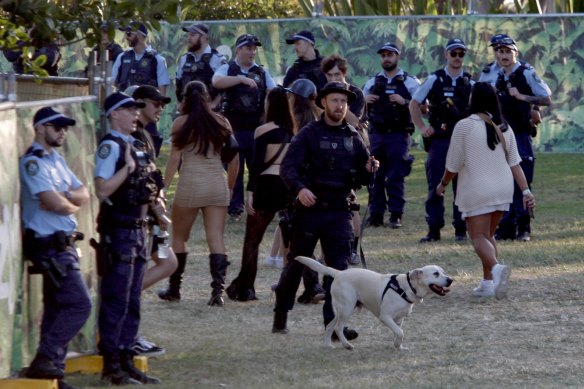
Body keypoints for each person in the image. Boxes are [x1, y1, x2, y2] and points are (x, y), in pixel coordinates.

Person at [272, 81, 379, 338]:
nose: (340, 106)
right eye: (334, 100)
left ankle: (334, 327)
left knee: (338, 272)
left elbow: (364, 179)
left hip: (339, 212)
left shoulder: (353, 137)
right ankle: (280, 314)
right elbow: (287, 168)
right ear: (323, 103)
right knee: (296, 265)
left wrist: (371, 169)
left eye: (343, 102)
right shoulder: (308, 134)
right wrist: (300, 189)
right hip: (309, 212)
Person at [436, 82, 536, 298]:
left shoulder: (464, 125)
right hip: (502, 188)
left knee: (479, 236)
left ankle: (496, 269)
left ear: (473, 99)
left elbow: (452, 164)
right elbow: (515, 163)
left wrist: (442, 184)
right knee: (489, 236)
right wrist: (526, 191)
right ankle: (487, 284)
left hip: (477, 188)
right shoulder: (504, 126)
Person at [20, 107, 92, 389]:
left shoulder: (57, 160)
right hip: (47, 244)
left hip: (64, 242)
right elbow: (56, 204)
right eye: (56, 126)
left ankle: (53, 374)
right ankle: (45, 358)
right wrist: (67, 200)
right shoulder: (33, 163)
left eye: (65, 127)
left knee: (57, 307)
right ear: (39, 128)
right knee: (79, 304)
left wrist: (65, 198)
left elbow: (83, 193)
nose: (63, 131)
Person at [94, 92, 162, 385]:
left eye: (136, 110)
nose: (135, 114)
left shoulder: (133, 144)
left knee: (132, 298)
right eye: (128, 110)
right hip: (118, 230)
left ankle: (126, 357)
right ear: (113, 115)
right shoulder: (111, 147)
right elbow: (101, 189)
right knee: (117, 299)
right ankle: (112, 364)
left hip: (137, 228)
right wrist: (126, 170)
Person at [162, 81, 239, 306]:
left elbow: (174, 159)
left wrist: (163, 188)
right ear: (207, 98)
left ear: (184, 99)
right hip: (216, 184)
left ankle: (174, 289)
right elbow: (235, 158)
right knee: (216, 239)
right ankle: (217, 293)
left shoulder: (180, 123)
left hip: (190, 185)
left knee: (179, 237)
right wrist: (231, 187)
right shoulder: (221, 121)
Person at [225, 87, 295, 302]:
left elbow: (256, 166)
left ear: (270, 104)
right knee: (292, 242)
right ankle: (299, 286)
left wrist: (249, 192)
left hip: (266, 185)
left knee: (252, 241)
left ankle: (246, 288)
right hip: (288, 187)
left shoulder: (262, 130)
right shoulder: (294, 132)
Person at [126, 85, 175, 357]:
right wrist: (158, 212)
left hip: (157, 219)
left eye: (162, 104)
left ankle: (128, 296)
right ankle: (127, 308)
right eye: (155, 103)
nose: (160, 108)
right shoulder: (133, 136)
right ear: (139, 104)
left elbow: (154, 177)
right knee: (164, 262)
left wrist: (162, 201)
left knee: (168, 261)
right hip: (148, 219)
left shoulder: (146, 134)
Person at [410, 38, 474, 242]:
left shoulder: (469, 82)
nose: (457, 58)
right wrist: (422, 127)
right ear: (446, 55)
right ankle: (434, 230)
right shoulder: (434, 79)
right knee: (436, 185)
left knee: (463, 187)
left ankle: (461, 231)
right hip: (440, 141)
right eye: (453, 53)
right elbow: (414, 104)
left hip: (464, 141)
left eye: (461, 54)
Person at [491, 36, 551, 242]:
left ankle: (524, 227)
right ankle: (505, 226)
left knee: (523, 180)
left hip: (521, 135)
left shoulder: (526, 73)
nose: (503, 55)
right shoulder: (497, 75)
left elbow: (546, 98)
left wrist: (523, 98)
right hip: (502, 134)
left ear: (515, 52)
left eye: (507, 51)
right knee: (503, 182)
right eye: (499, 51)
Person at [212, 33, 276, 221]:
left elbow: (272, 92)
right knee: (235, 170)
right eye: (248, 48)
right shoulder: (227, 69)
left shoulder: (262, 72)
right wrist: (241, 79)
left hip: (256, 129)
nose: (252, 52)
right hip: (232, 130)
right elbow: (217, 82)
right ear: (238, 49)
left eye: (254, 48)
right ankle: (235, 208)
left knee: (258, 170)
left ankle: (258, 206)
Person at [363, 43, 419, 229]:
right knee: (375, 175)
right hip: (376, 135)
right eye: (383, 55)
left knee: (396, 175)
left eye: (390, 55)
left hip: (398, 136)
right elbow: (357, 108)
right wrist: (365, 101)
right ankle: (376, 214)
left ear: (398, 57)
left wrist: (406, 102)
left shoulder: (410, 82)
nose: (386, 58)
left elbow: (424, 106)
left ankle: (396, 215)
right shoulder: (372, 83)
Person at [112, 22, 171, 95]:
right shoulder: (122, 57)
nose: (126, 37)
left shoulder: (157, 60)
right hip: (126, 105)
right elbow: (113, 85)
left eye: (129, 34)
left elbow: (162, 92)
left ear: (139, 35)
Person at [176, 23, 226, 108]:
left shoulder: (217, 59)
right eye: (188, 35)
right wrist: (179, 104)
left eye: (192, 35)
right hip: (187, 112)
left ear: (203, 37)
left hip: (209, 115)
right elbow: (178, 84)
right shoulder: (184, 59)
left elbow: (225, 87)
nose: (188, 38)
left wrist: (214, 104)